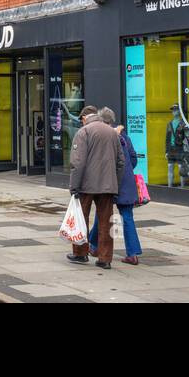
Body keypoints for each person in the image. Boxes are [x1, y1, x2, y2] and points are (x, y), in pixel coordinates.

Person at [65, 105, 124, 270]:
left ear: (84, 118)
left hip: (86, 185)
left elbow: (78, 163)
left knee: (81, 218)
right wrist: (115, 184)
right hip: (108, 185)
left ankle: (80, 253)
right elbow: (121, 162)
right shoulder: (112, 132)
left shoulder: (84, 132)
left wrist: (73, 187)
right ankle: (105, 259)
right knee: (107, 222)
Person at [90, 109, 143, 265]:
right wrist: (126, 172)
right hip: (126, 182)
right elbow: (133, 158)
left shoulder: (104, 136)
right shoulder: (124, 136)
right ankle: (132, 254)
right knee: (127, 217)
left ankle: (94, 246)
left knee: (102, 212)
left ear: (101, 121)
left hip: (109, 181)